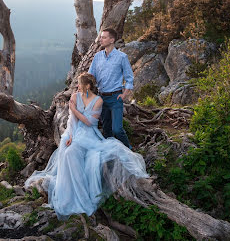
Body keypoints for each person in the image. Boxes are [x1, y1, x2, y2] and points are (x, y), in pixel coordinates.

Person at [25, 73, 148, 220]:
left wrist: (75, 110)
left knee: (75, 154)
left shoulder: (98, 100)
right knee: (67, 151)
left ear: (88, 86)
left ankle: (83, 196)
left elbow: (89, 122)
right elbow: (71, 121)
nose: (77, 86)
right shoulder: (75, 97)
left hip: (89, 134)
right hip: (74, 132)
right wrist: (69, 136)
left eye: (79, 83)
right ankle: (71, 194)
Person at [88, 28, 134, 149]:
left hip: (115, 97)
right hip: (101, 98)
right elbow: (91, 76)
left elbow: (129, 78)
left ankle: (129, 149)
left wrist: (124, 95)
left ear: (112, 40)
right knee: (106, 130)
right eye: (101, 37)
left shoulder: (122, 57)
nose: (100, 40)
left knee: (117, 129)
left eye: (104, 37)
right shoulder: (97, 57)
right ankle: (110, 153)